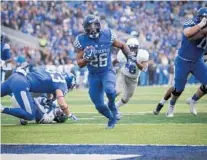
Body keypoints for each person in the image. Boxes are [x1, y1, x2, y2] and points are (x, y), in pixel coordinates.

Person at [74, 15, 132, 129]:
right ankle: (111, 118)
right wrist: (87, 59)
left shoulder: (107, 35)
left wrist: (130, 58)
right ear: (85, 28)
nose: (93, 29)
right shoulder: (81, 40)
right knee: (99, 105)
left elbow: (123, 45)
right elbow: (79, 64)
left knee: (110, 90)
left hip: (107, 71)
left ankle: (112, 105)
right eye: (89, 26)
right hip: (93, 75)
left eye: (94, 25)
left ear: (99, 25)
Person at [166, 7, 207, 117]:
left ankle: (193, 100)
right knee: (179, 88)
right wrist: (201, 25)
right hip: (183, 61)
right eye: (204, 18)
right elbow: (188, 34)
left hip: (197, 62)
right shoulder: (191, 22)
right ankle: (171, 105)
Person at [1, 68, 77, 123]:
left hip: (16, 76)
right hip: (22, 83)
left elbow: (46, 86)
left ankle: (19, 106)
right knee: (30, 115)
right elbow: (62, 104)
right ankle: (3, 109)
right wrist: (69, 114)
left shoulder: (55, 74)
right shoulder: (62, 84)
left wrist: (50, 100)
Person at [114, 38, 149, 113]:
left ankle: (115, 106)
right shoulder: (122, 53)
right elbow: (116, 60)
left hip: (133, 78)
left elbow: (144, 69)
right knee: (117, 91)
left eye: (134, 48)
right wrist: (110, 68)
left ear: (138, 47)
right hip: (123, 74)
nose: (132, 50)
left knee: (127, 98)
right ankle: (107, 104)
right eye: (131, 48)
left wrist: (136, 61)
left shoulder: (142, 54)